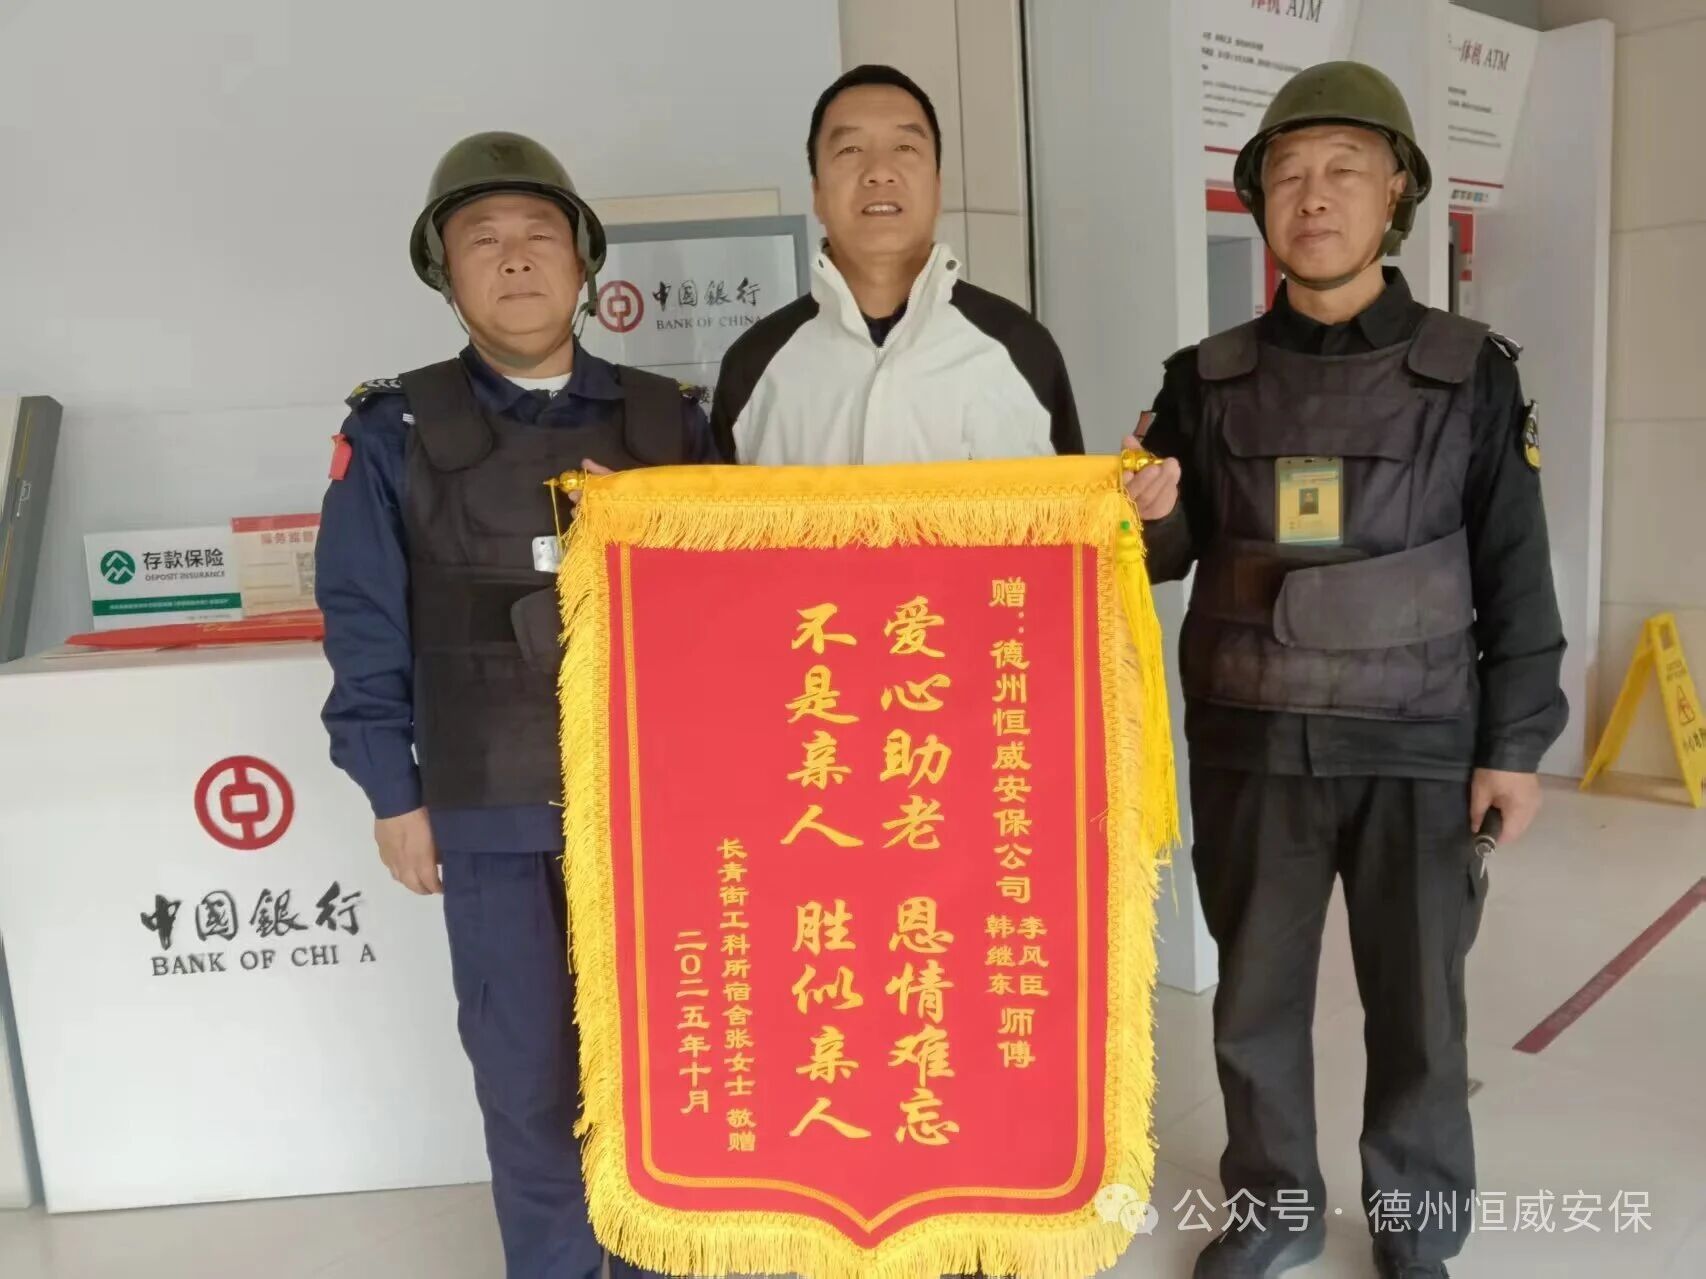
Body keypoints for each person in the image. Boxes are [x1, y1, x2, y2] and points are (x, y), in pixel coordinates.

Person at [1124, 63, 1568, 1279]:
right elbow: (1163, 553)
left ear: (1395, 194)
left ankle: (1413, 1218)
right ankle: (1272, 1208)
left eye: (1341, 171)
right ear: (1258, 202)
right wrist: (1144, 512)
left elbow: (1513, 564)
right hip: (1249, 735)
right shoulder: (1200, 376)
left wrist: (1513, 744)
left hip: (1417, 736)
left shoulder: (1470, 370)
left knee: (1418, 1007)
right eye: (1287, 174)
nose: (1312, 196)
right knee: (1252, 1003)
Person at [315, 131, 712, 1279]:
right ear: (445, 274)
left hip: (658, 813)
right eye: (481, 238)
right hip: (489, 807)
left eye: (540, 233)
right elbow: (363, 616)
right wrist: (392, 794)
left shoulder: (670, 421)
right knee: (528, 1079)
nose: (516, 257)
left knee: (667, 1072)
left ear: (584, 261)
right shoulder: (393, 430)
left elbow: (744, 602)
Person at [711, 63, 1083, 463]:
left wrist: (1136, 499)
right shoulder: (754, 365)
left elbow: (1079, 503)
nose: (879, 172)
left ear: (937, 186)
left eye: (905, 148)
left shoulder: (1021, 350)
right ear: (817, 193)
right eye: (850, 149)